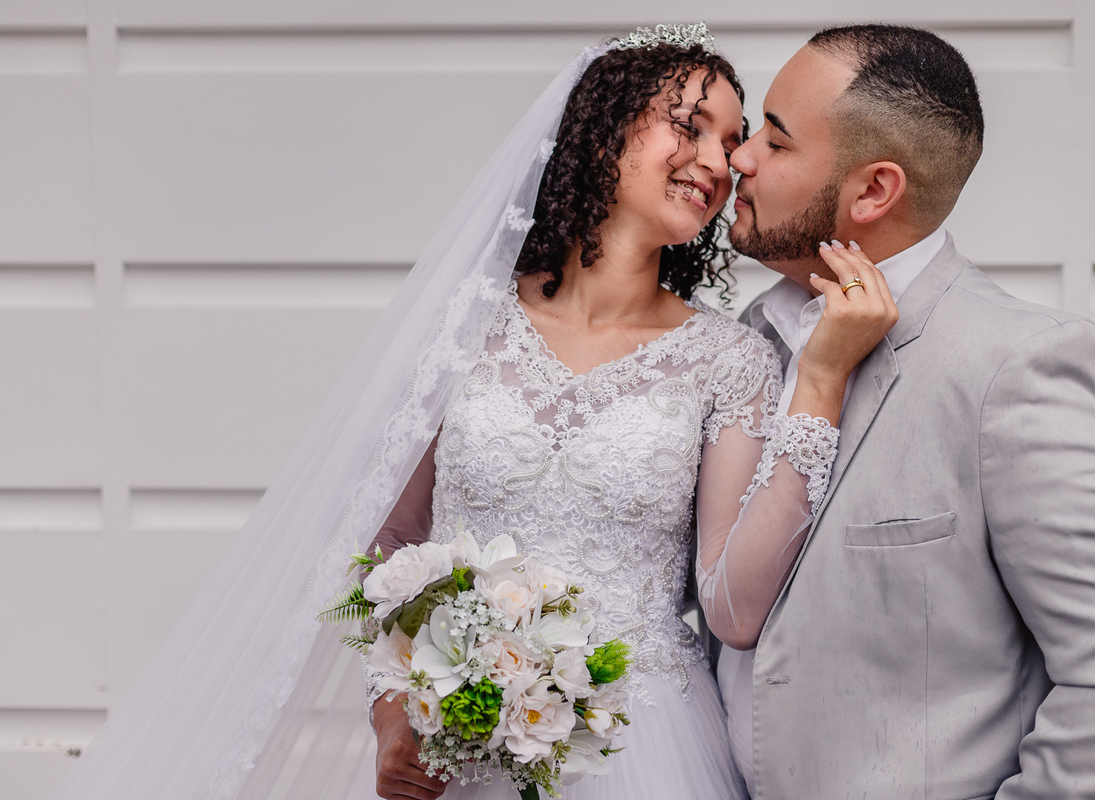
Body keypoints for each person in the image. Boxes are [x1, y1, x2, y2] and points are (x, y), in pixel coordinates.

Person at [357, 26, 896, 800]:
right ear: (603, 127)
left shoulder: (728, 361)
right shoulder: (465, 325)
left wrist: (821, 380)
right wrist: (391, 712)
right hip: (461, 751)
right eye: (691, 126)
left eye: (733, 143)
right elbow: (392, 546)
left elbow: (733, 609)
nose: (719, 162)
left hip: (639, 750)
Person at [717, 23, 1095, 799]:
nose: (739, 158)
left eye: (776, 142)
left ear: (873, 191)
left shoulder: (1015, 366)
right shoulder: (749, 340)